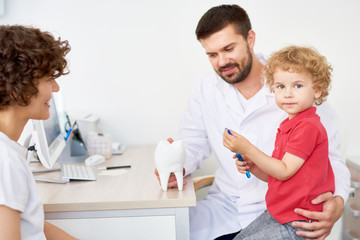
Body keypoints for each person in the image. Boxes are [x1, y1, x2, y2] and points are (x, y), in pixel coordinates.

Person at [154, 4, 350, 240]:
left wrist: (338, 201)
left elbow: (331, 159)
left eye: (229, 49)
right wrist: (178, 166)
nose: (222, 61)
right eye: (212, 55)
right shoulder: (205, 88)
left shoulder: (301, 89)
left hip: (286, 214)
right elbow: (193, 142)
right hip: (223, 208)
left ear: (250, 38)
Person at [223, 45, 335, 239]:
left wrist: (247, 149)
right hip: (281, 212)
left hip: (298, 221)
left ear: (317, 90)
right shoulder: (288, 125)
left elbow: (284, 171)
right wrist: (255, 167)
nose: (287, 94)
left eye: (297, 86)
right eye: (280, 87)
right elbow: (279, 176)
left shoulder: (308, 127)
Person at [0, 25, 78, 240]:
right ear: (16, 86)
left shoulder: (9, 152)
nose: (56, 89)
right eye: (48, 79)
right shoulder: (5, 161)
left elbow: (32, 224)